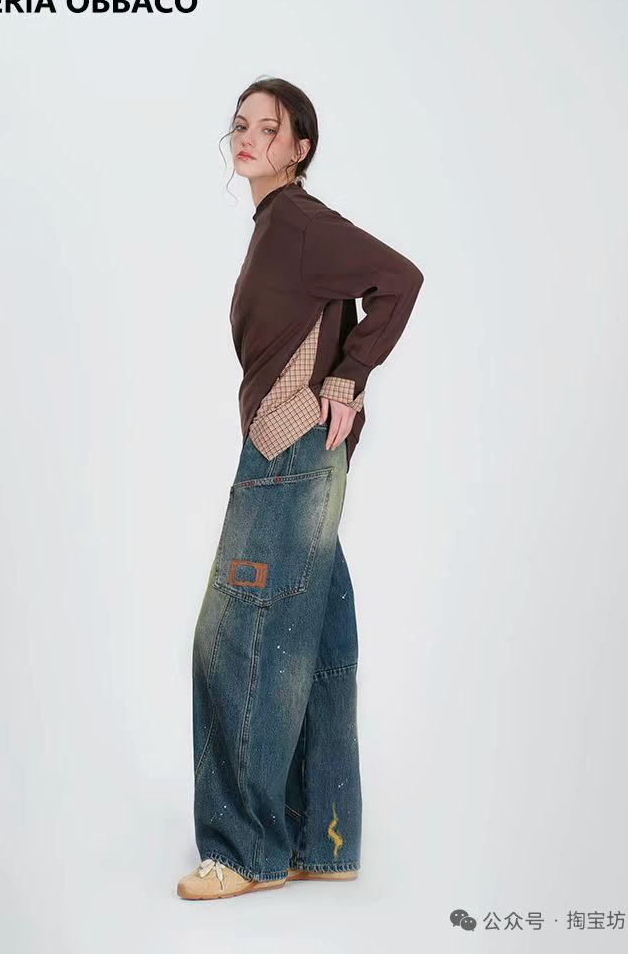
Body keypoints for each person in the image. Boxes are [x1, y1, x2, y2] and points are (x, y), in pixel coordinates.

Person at [177, 77, 425, 900]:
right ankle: (323, 837)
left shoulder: (298, 222)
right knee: (314, 642)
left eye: (269, 127)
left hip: (286, 454)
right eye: (240, 125)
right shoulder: (276, 228)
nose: (248, 138)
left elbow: (399, 278)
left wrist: (349, 377)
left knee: (235, 643)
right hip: (299, 456)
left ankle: (246, 852)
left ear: (299, 147)